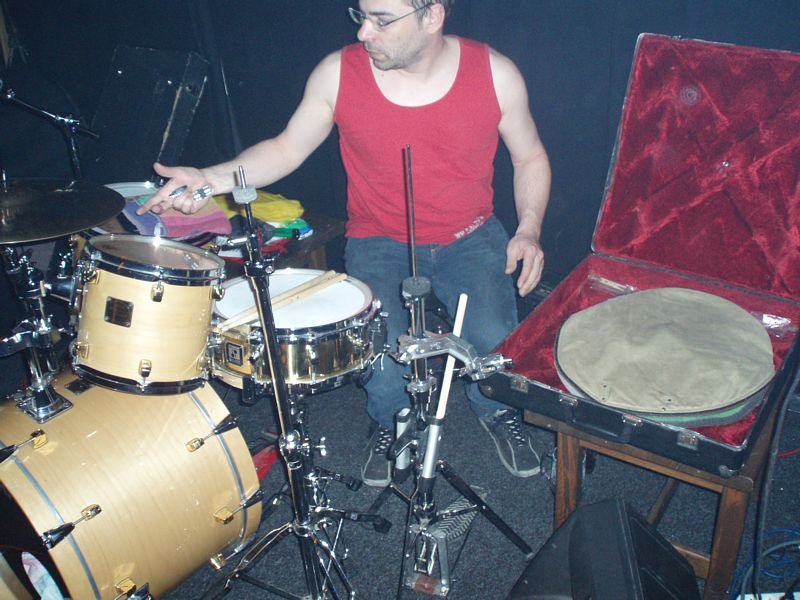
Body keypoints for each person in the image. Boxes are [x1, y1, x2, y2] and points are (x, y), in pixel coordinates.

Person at [138, 0, 551, 487]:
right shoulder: (337, 73)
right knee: (379, 351)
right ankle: (392, 421)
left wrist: (529, 229)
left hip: (471, 235)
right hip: (379, 238)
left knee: (494, 337)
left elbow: (529, 157)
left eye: (382, 20)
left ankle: (495, 410)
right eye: (362, 16)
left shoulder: (496, 74)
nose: (363, 33)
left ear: (432, 15)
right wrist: (211, 178)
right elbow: (287, 147)